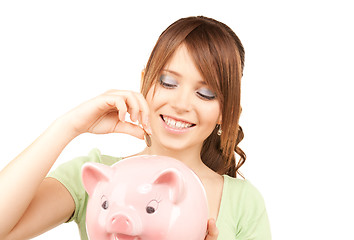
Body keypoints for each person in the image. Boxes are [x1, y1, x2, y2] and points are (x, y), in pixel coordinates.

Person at [0, 16, 271, 239]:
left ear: (226, 111)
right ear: (145, 83)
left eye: (205, 93)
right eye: (168, 82)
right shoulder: (97, 174)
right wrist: (69, 126)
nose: (180, 103)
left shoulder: (243, 202)